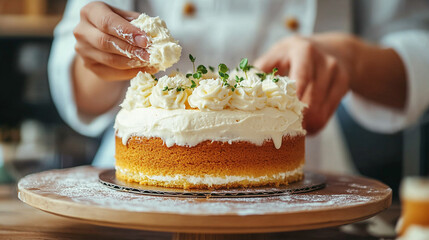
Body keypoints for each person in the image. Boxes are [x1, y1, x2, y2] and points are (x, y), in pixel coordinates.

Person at [49, 0, 429, 171]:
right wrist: (104, 55)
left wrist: (351, 57)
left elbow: (417, 47)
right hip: (142, 184)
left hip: (306, 179)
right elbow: (81, 87)